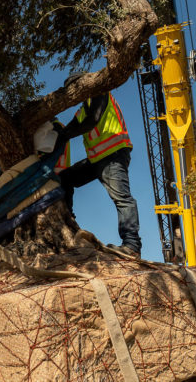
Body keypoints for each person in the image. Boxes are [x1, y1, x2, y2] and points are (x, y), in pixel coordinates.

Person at [57, 73, 142, 257]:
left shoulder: (99, 93)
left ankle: (132, 245)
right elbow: (71, 127)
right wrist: (60, 133)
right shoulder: (83, 109)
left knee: (122, 198)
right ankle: (69, 223)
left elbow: (92, 120)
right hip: (97, 159)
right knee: (64, 178)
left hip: (113, 154)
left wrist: (64, 135)